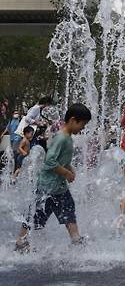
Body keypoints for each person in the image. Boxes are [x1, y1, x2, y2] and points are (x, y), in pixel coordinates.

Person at [14, 103, 92, 252]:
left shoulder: (67, 137)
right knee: (35, 214)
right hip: (47, 186)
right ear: (73, 120)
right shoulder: (61, 138)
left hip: (58, 187)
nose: (83, 128)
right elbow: (50, 161)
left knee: (69, 211)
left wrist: (70, 168)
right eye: (82, 124)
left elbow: (62, 160)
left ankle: (76, 240)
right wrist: (66, 173)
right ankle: (20, 241)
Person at [1, 110, 21, 176]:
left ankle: (16, 168)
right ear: (12, 114)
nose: (16, 114)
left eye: (17, 113)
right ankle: (14, 168)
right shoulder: (11, 120)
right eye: (15, 113)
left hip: (17, 138)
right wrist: (3, 134)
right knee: (12, 153)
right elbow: (7, 128)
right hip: (11, 139)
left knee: (15, 153)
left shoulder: (20, 121)